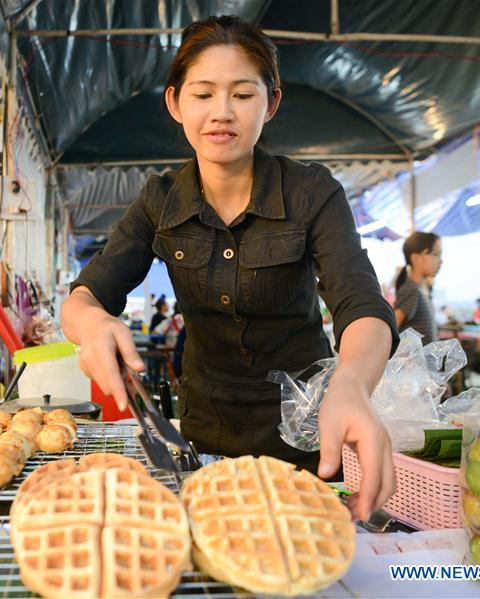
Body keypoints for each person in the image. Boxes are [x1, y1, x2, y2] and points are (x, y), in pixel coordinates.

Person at [60, 16, 398, 521]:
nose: (222, 113)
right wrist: (91, 323)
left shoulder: (312, 192)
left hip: (308, 437)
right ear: (176, 103)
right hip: (204, 438)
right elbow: (84, 297)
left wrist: (352, 382)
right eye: (203, 94)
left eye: (242, 94)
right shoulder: (159, 201)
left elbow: (362, 304)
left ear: (271, 103)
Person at [394, 232, 442, 345]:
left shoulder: (420, 290)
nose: (441, 261)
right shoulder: (412, 289)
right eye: (435, 254)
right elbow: (392, 328)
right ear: (416, 258)